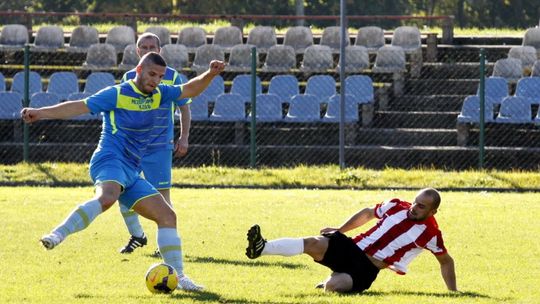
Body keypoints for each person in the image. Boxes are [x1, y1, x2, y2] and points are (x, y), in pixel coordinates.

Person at [21, 52, 225, 291]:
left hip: (131, 170)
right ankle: (58, 234)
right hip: (109, 159)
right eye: (151, 74)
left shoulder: (159, 93)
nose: (155, 80)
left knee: (167, 216)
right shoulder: (117, 93)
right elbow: (79, 106)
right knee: (107, 197)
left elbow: (189, 89)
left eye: (160, 76)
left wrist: (210, 74)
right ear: (138, 70)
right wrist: (41, 112)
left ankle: (179, 277)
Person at [245, 188, 458, 293]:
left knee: (334, 287)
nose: (414, 207)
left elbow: (446, 261)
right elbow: (367, 213)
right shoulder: (396, 206)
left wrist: (453, 293)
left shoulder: (431, 234)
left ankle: (332, 279)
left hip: (367, 269)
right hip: (351, 248)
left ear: (433, 211)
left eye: (421, 206)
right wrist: (340, 229)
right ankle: (262, 248)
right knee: (313, 243)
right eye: (415, 202)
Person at [117, 33, 192, 257]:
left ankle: (166, 246)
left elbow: (184, 108)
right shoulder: (129, 77)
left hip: (160, 147)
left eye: (152, 46)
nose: (148, 49)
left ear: (160, 50)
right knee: (121, 192)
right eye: (143, 46)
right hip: (132, 148)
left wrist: (184, 136)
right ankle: (138, 236)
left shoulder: (172, 76)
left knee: (162, 198)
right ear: (137, 51)